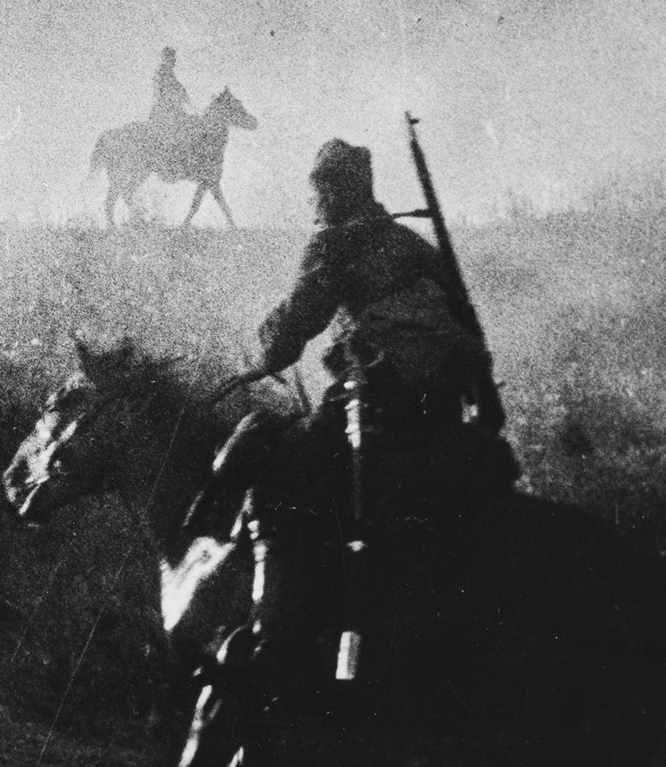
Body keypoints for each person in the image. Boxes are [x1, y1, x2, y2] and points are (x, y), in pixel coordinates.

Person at [201, 138, 514, 542]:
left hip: (373, 405)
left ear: (331, 191)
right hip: (440, 411)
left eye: (316, 192)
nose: (313, 203)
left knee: (276, 479)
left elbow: (294, 325)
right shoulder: (413, 244)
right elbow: (463, 327)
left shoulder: (333, 243)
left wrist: (259, 359)